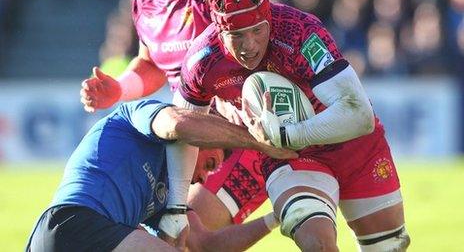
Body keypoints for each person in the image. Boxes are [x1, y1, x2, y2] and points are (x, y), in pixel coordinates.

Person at [174, 0, 411, 251]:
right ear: (219, 33)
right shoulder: (202, 60)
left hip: (351, 144)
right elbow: (183, 131)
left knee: (389, 247)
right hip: (289, 155)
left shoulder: (300, 32)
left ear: (269, 19)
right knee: (317, 244)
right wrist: (172, 208)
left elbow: (359, 115)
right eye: (236, 36)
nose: (249, 45)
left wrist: (289, 134)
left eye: (256, 31)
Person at [80, 0, 280, 232]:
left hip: (244, 131)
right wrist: (120, 89)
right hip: (194, 133)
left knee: (188, 235)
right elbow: (152, 64)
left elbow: (263, 37)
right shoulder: (144, 2)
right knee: (174, 235)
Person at [26, 99, 295, 251]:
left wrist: (275, 218)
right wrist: (257, 141)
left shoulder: (171, 192)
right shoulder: (137, 116)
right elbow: (179, 124)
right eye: (210, 163)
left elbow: (205, 245)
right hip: (72, 224)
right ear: (204, 134)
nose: (204, 177)